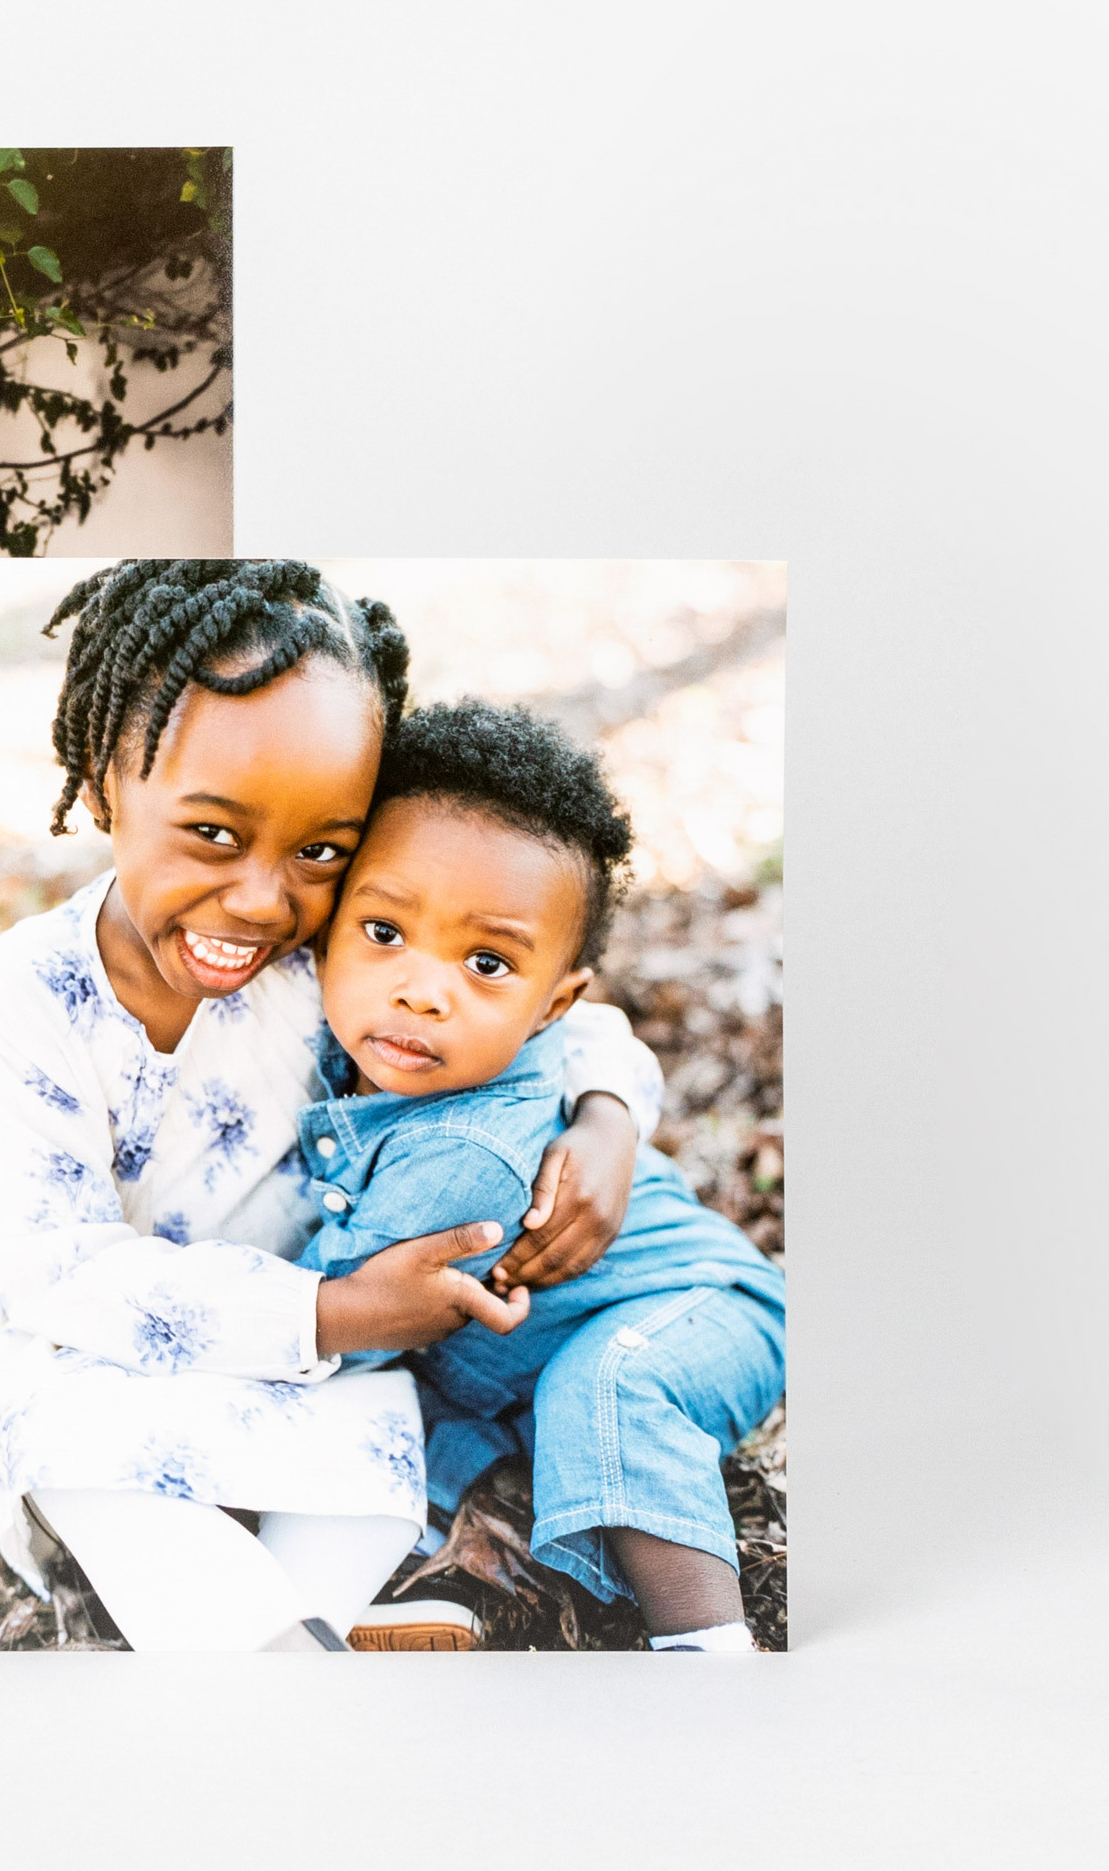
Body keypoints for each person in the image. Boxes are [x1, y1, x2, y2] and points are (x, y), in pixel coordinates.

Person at [0, 560, 665, 1650]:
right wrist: (336, 1315)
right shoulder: (27, 994)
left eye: (319, 850)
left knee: (369, 1445)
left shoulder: (314, 951)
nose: (263, 896)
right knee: (67, 1440)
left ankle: (303, 1626)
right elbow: (50, 1271)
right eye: (213, 835)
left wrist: (608, 1112)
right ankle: (276, 1658)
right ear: (101, 786)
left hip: (305, 1363)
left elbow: (536, 1009)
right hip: (85, 1353)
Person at [296, 697, 784, 1650]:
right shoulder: (357, 1042)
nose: (422, 989)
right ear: (327, 928)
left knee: (604, 1390)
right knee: (429, 1413)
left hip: (697, 1310)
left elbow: (334, 1321)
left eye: (485, 961)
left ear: (554, 1004)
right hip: (514, 1352)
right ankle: (442, 1576)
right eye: (386, 932)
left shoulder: (468, 1155)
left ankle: (707, 1653)